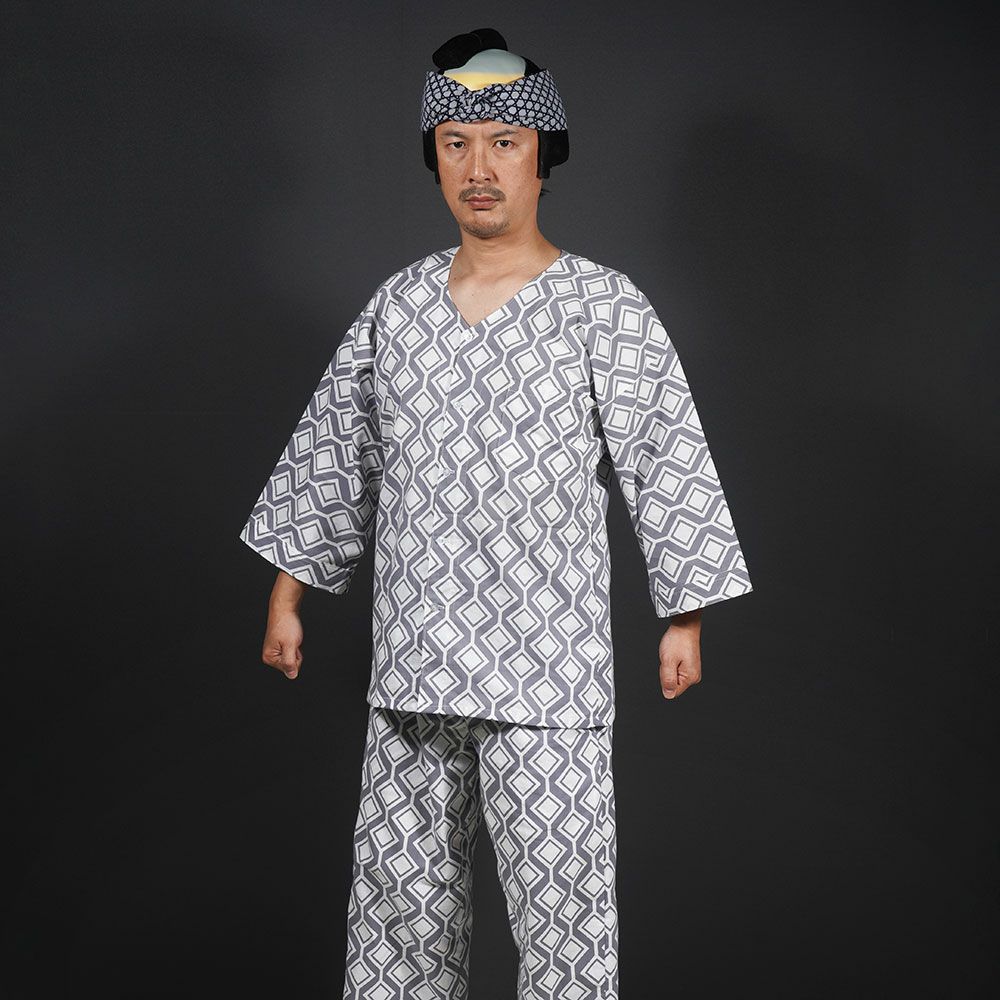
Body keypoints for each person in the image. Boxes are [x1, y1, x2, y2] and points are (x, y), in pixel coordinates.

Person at [238, 27, 753, 1000]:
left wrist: (683, 618)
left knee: (563, 925)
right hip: (413, 666)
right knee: (398, 920)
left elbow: (665, 455)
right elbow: (338, 451)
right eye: (456, 144)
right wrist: (286, 596)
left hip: (548, 674)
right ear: (434, 158)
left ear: (541, 156)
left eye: (503, 144)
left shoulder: (605, 307)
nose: (479, 168)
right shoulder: (397, 307)